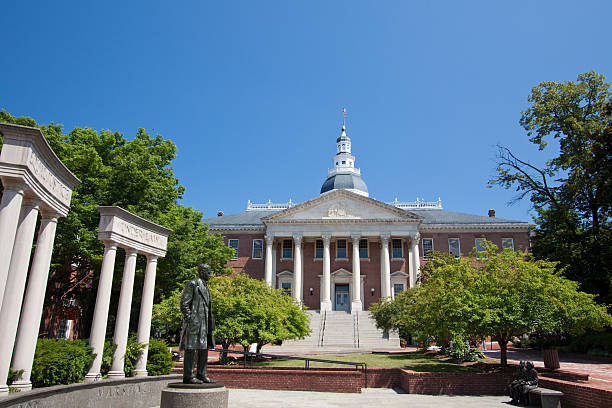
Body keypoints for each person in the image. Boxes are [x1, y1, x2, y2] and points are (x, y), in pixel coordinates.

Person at [179, 263, 215, 384]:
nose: (210, 275)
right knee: (191, 348)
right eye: (208, 272)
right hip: (195, 322)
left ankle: (201, 374)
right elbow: (184, 303)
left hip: (205, 322)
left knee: (204, 348)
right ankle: (188, 375)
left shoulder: (206, 286)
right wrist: (190, 318)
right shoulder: (193, 284)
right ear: (201, 272)